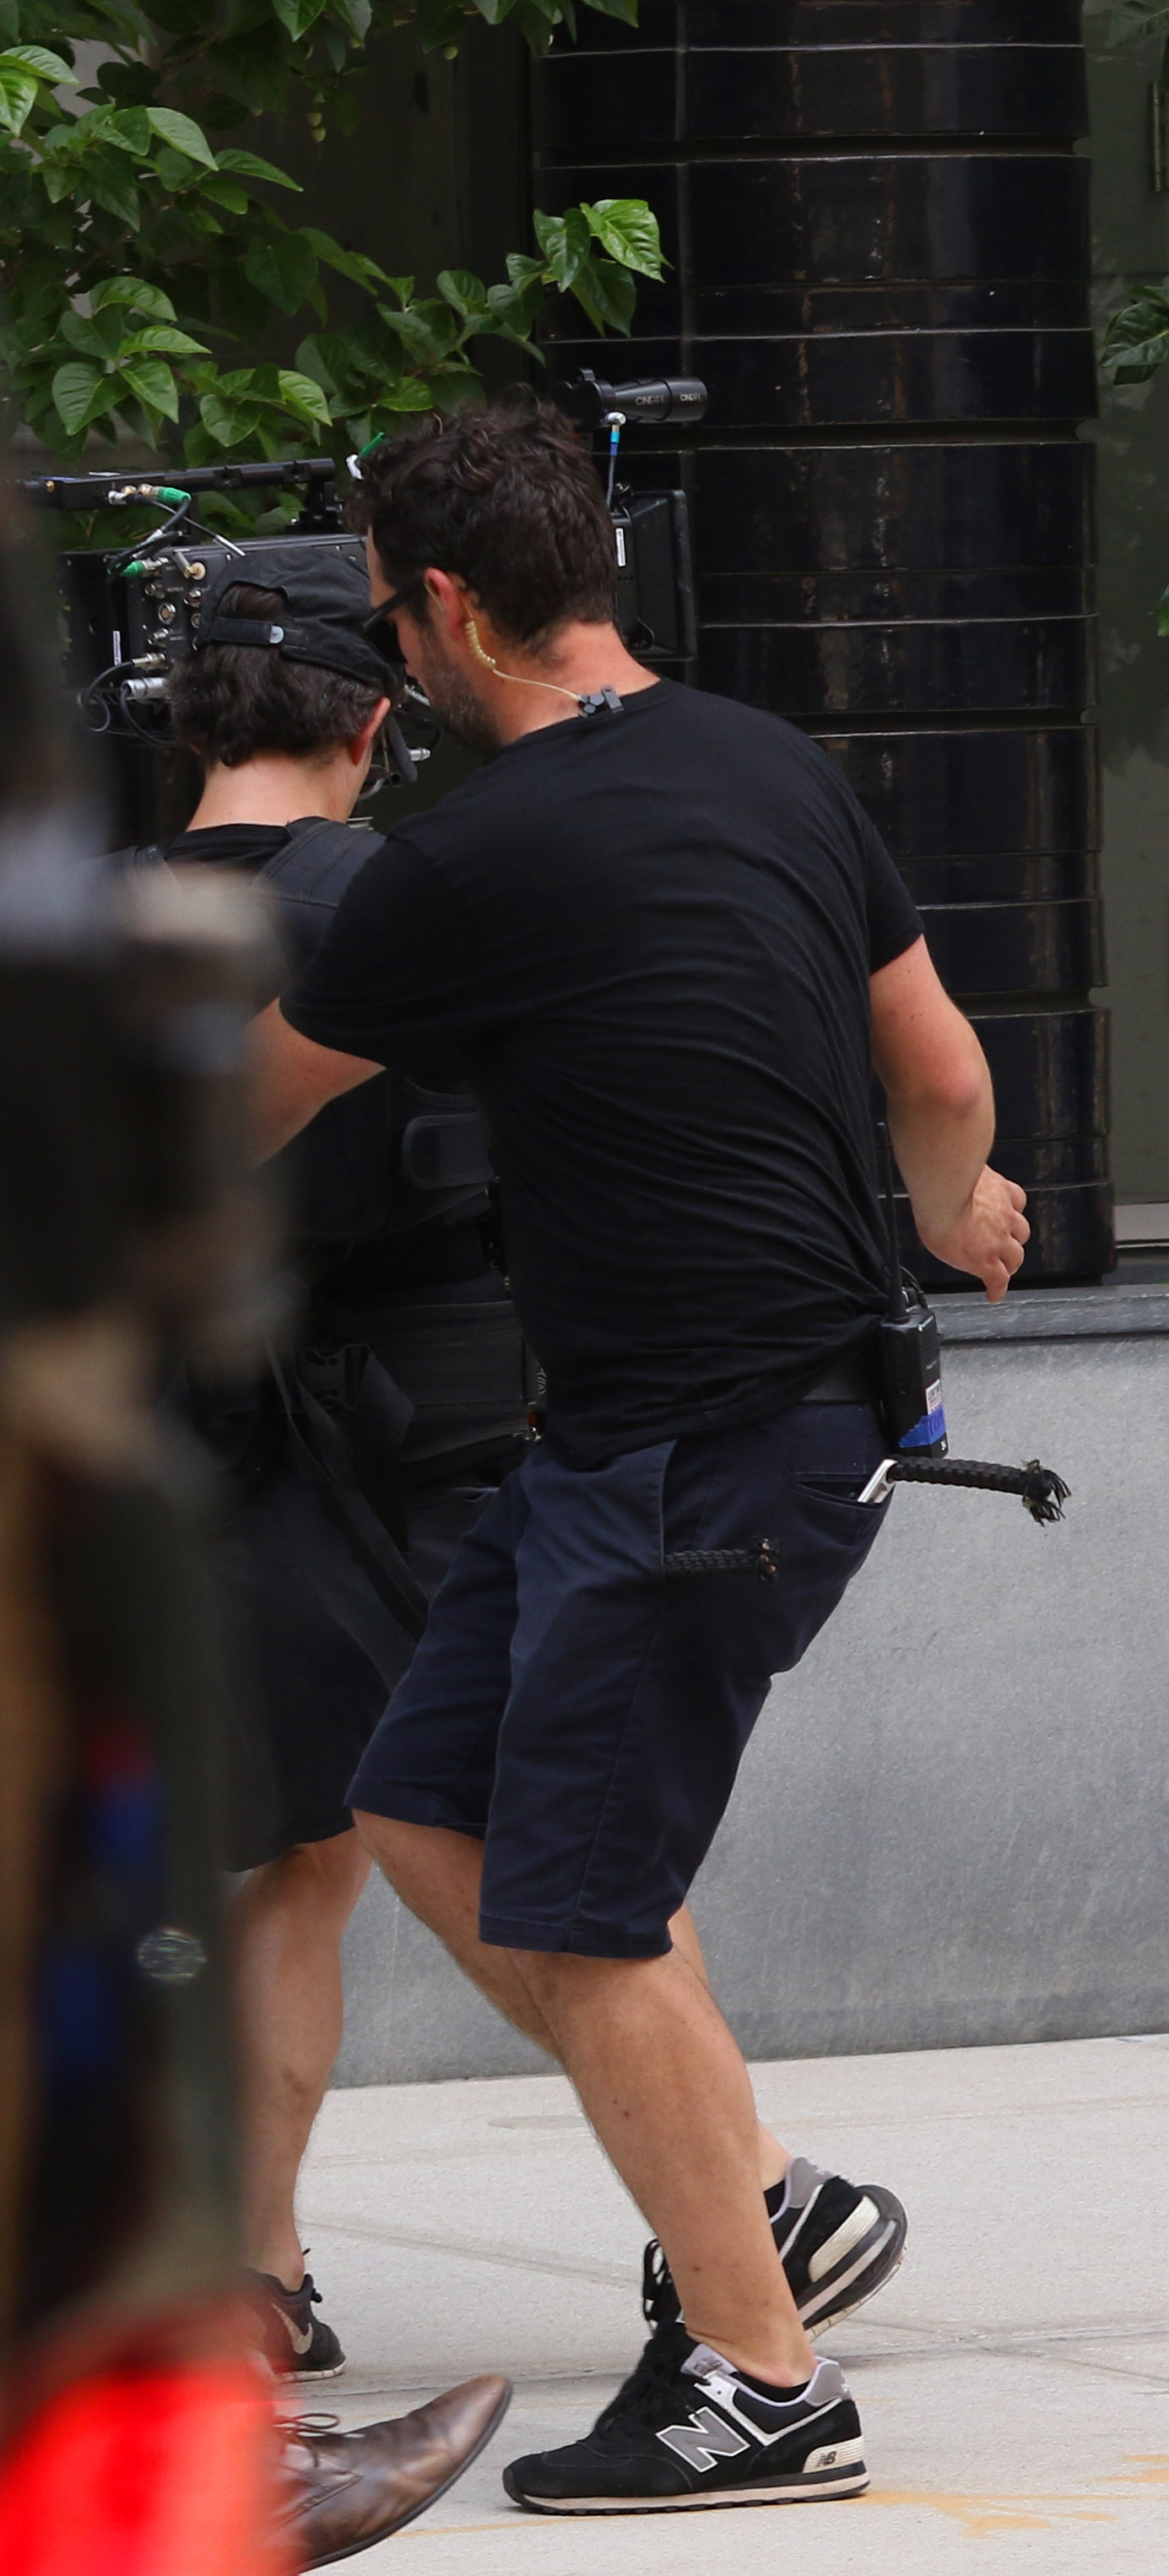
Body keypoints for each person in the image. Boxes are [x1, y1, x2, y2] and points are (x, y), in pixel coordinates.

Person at [245, 394, 1029, 2514]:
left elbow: (236, 1113)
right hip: (685, 1430)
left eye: (390, 617)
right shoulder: (772, 763)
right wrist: (944, 1207)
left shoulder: (468, 857)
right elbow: (945, 1070)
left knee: (589, 1913)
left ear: (443, 605)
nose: (394, 655)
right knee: (423, 1797)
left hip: (705, 1454)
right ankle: (749, 2199)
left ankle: (764, 2384)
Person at [142, 553, 530, 2390]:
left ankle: (241, 2270)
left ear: (188, 722)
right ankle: (745, 2196)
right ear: (373, 723)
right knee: (423, 1838)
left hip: (126, 1440)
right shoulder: (404, 897)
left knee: (259, 1854)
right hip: (390, 1441)